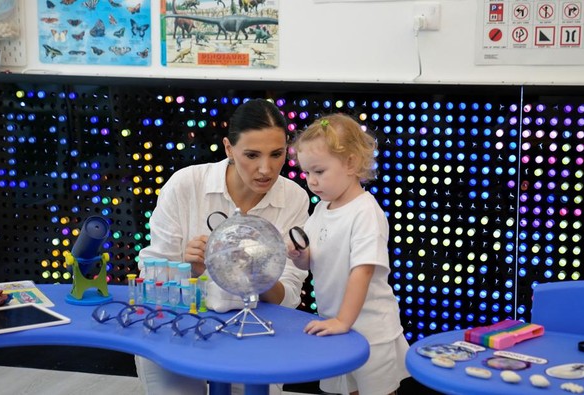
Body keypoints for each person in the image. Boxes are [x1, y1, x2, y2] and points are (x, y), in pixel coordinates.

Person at [136, 98, 310, 395]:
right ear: (229, 148)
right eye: (252, 155)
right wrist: (190, 268)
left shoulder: (294, 197)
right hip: (177, 327)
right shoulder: (186, 184)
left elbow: (288, 295)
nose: (265, 169)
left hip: (253, 330)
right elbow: (149, 278)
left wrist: (257, 269)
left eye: (276, 154)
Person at [288, 113, 410, 395]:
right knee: (346, 390)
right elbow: (314, 259)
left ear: (351, 164)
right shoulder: (321, 209)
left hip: (371, 332)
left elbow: (363, 271)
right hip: (337, 327)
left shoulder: (365, 212)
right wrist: (300, 257)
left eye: (319, 171)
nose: (311, 181)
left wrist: (344, 320)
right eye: (306, 173)